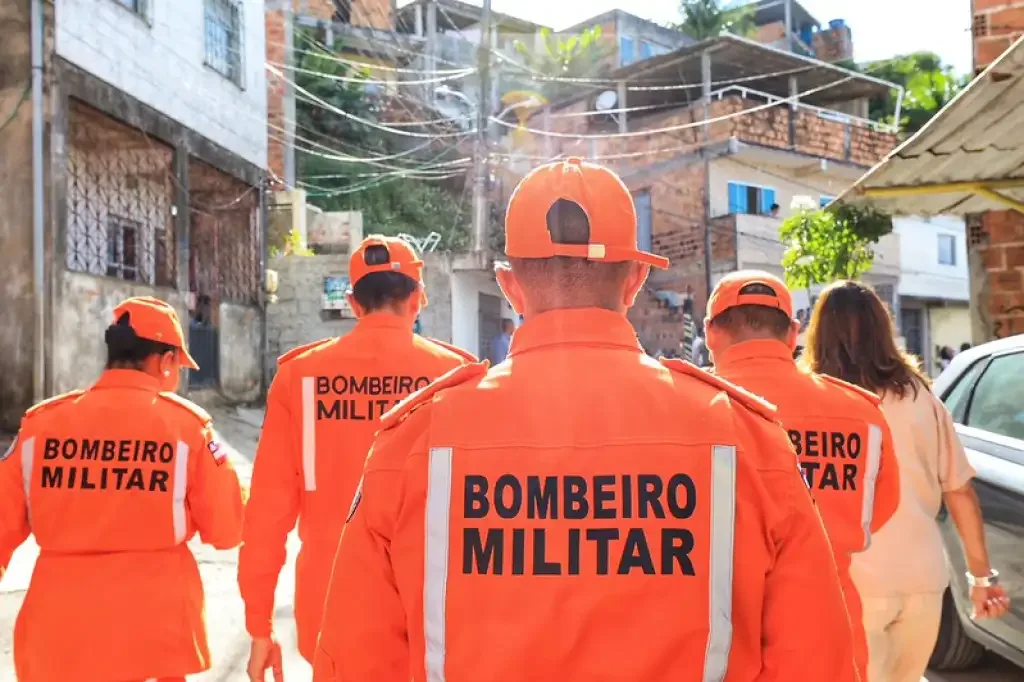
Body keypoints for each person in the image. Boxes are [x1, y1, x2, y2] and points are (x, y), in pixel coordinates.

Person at [312, 158, 859, 682]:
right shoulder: (747, 439)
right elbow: (816, 661)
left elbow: (356, 660)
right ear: (635, 279)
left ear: (509, 285)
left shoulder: (414, 440)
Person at [240, 235, 476, 680]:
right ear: (418, 299)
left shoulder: (299, 378)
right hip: (432, 607)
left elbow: (267, 514)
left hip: (331, 606)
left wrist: (259, 627)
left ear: (352, 302)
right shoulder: (454, 377)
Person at [0, 296, 245, 682]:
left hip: (58, 639)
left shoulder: (40, 426)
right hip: (153, 640)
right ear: (165, 362)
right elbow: (228, 530)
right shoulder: (186, 428)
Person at [802, 280, 1010, 682]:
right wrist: (981, 579)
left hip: (843, 582)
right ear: (884, 328)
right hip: (920, 577)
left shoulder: (806, 400)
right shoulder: (922, 398)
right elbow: (961, 493)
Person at [704, 270, 902, 680]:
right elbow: (881, 510)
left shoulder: (689, 407)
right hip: (832, 633)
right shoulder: (860, 412)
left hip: (721, 634)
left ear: (711, 332)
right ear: (793, 333)